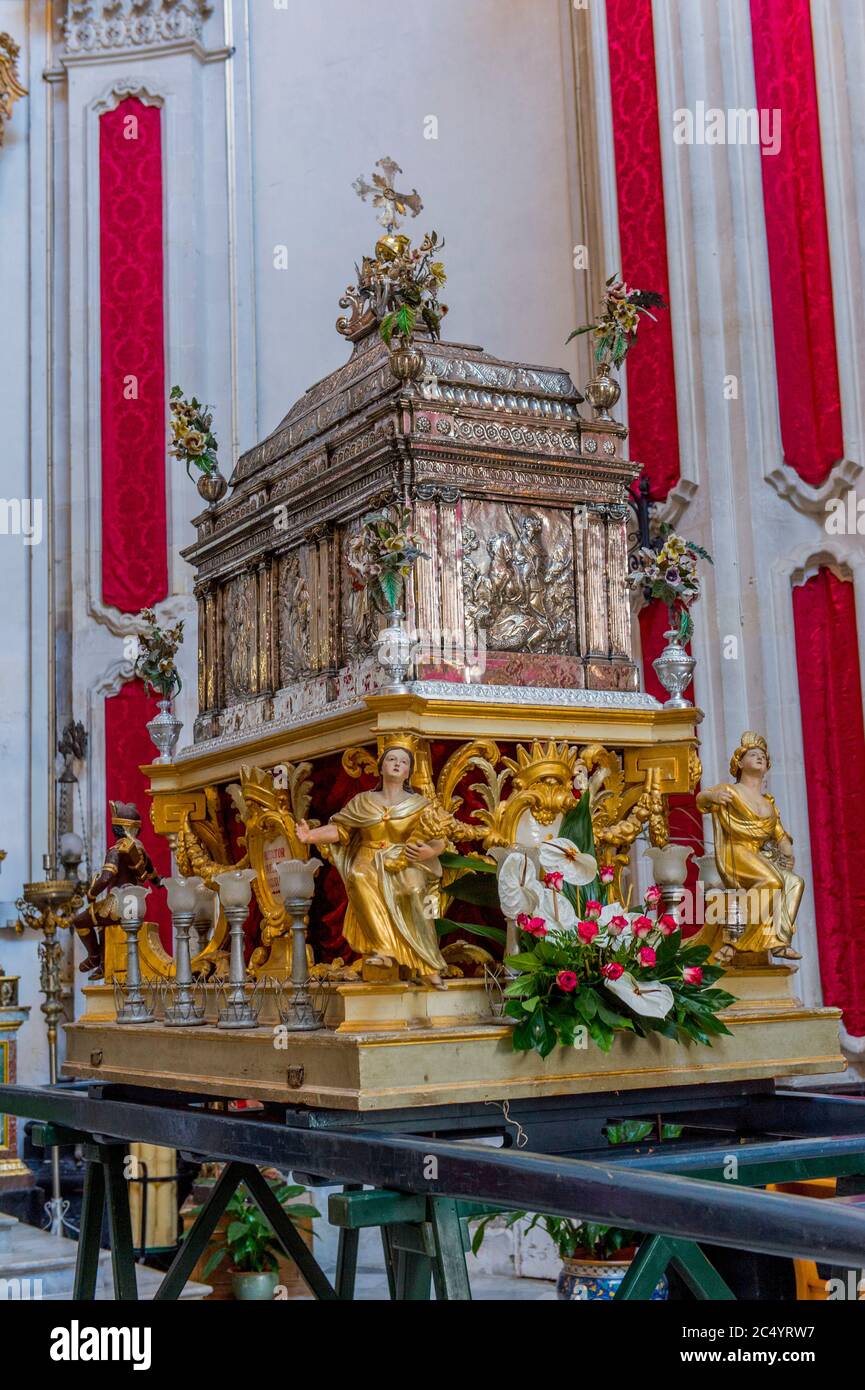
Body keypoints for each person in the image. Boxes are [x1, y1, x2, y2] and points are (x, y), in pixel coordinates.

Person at [295, 743, 449, 988]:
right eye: (392, 759)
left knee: (414, 890)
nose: (398, 764)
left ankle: (427, 963)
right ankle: (383, 949)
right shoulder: (363, 801)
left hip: (406, 857)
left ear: (409, 771)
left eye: (403, 762)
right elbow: (342, 829)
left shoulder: (419, 804)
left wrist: (430, 850)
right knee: (358, 876)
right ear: (381, 767)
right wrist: (310, 836)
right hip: (368, 855)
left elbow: (440, 837)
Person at [696, 732, 802, 963]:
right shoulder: (730, 790)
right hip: (736, 851)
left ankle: (779, 941)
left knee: (794, 882)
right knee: (772, 882)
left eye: (763, 756)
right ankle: (732, 939)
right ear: (739, 763)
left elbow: (779, 833)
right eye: (753, 754)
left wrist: (786, 847)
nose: (760, 758)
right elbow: (701, 800)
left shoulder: (768, 803)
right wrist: (713, 796)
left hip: (758, 855)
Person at [70, 801, 162, 978]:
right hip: (137, 904)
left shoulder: (116, 850)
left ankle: (94, 956)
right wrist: (162, 884)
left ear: (118, 828)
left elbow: (106, 877)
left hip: (119, 903)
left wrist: (91, 893)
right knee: (103, 922)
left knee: (80, 921)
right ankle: (105, 964)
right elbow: (154, 877)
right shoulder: (140, 849)